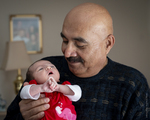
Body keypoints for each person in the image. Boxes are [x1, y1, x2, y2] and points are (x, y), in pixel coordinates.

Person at [5, 2, 150, 120]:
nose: (67, 52)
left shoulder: (132, 84)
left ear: (108, 44)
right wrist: (22, 117)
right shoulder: (45, 69)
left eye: (80, 45)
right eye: (64, 40)